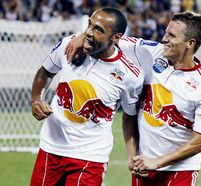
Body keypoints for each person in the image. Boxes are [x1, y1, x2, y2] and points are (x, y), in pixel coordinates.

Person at [65, 11, 201, 186]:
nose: (164, 39)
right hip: (144, 167)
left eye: (171, 36)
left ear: (190, 43)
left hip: (180, 172)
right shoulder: (151, 52)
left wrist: (158, 162)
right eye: (165, 32)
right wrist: (81, 37)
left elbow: (200, 142)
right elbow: (111, 35)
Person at [30, 7, 143, 186]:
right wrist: (37, 99)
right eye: (90, 25)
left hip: (90, 157)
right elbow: (45, 72)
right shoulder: (70, 45)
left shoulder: (130, 76)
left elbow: (130, 116)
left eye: (99, 30)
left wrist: (133, 154)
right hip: (51, 148)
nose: (89, 32)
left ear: (116, 37)